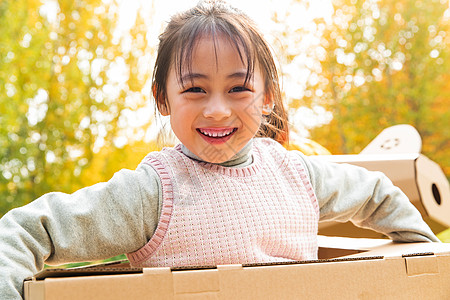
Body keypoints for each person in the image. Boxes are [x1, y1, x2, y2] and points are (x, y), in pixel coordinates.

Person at [0, 0, 439, 298]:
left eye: (238, 88)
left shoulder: (299, 176)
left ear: (267, 97)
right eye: (194, 89)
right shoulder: (154, 194)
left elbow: (378, 192)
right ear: (162, 98)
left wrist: (428, 264)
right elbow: (25, 230)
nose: (216, 110)